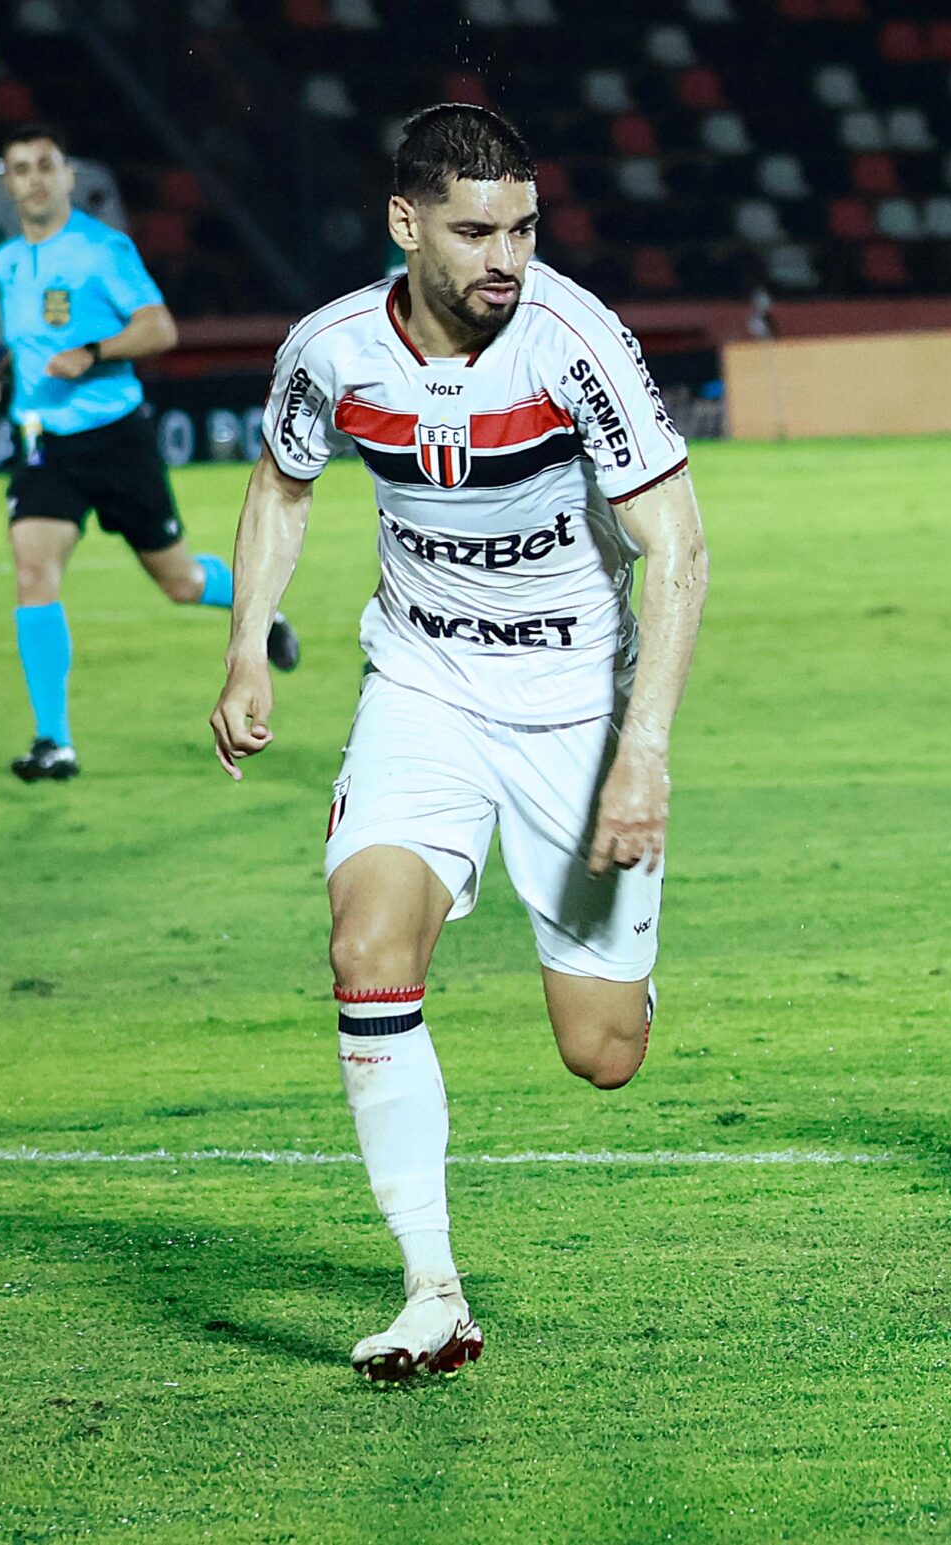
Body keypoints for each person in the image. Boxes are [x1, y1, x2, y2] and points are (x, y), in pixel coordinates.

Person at [208, 104, 708, 1382]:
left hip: (576, 707)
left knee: (602, 1054)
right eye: (478, 232)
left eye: (524, 229)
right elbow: (281, 484)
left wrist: (643, 750)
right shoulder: (331, 349)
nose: (507, 258)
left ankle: (624, 965)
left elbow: (679, 547)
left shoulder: (572, 341)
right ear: (405, 223)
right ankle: (432, 1290)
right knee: (365, 947)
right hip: (422, 686)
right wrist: (247, 644)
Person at [0, 122, 296, 782]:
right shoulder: (8, 261)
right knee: (33, 572)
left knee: (180, 582)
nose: (34, 179)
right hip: (44, 445)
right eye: (21, 169)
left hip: (114, 438)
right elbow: (25, 346)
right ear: (7, 184)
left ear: (67, 176)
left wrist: (93, 352)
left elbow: (158, 328)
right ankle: (54, 743)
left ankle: (262, 612)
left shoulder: (101, 249)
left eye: (45, 165)